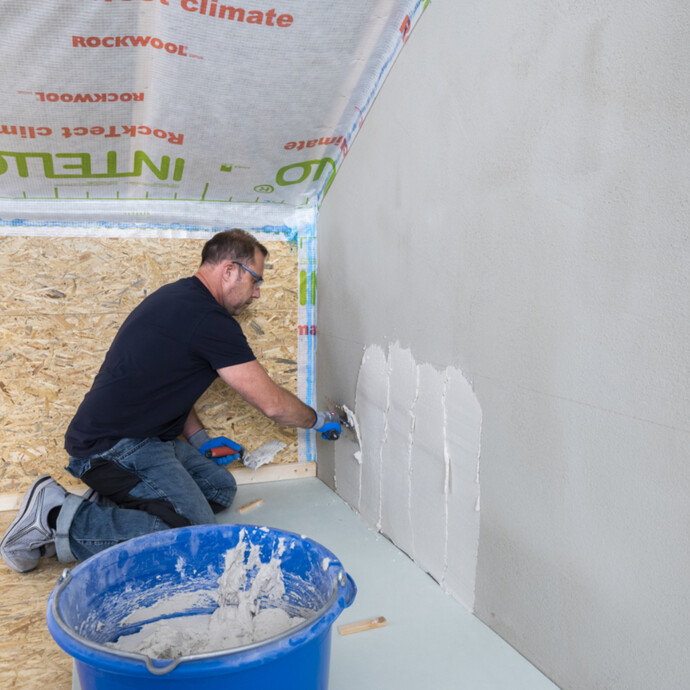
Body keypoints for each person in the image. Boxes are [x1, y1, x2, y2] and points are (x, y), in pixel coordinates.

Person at [0, 229, 341, 573]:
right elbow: (273, 405)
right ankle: (57, 517)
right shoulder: (209, 320)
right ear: (229, 270)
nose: (256, 293)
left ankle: (111, 505)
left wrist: (199, 439)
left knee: (220, 490)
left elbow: (169, 381)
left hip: (144, 439)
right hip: (110, 449)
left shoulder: (178, 298)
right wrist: (318, 419)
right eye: (255, 281)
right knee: (196, 538)